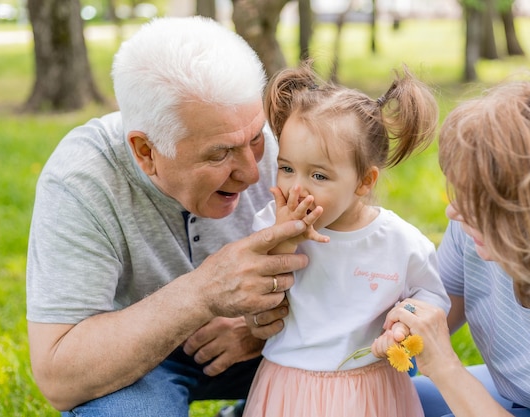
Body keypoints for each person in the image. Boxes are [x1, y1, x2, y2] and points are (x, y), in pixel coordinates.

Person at [26, 16, 316, 416]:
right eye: (219, 153)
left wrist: (264, 329)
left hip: (273, 345)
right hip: (135, 364)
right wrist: (203, 292)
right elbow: (59, 378)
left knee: (369, 372)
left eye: (255, 139)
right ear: (145, 151)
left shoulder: (286, 151)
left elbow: (366, 278)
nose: (251, 173)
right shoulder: (80, 180)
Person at [376, 74, 530, 417]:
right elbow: (429, 315)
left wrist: (445, 367)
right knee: (387, 405)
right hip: (512, 391)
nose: (453, 211)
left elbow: (440, 361)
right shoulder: (471, 232)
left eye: (479, 203)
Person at [242, 63, 451, 417]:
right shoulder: (269, 223)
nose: (296, 187)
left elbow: (432, 296)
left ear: (364, 182)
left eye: (319, 175)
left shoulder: (399, 241)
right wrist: (284, 239)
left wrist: (403, 323)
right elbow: (257, 289)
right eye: (287, 168)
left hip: (370, 388)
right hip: (290, 387)